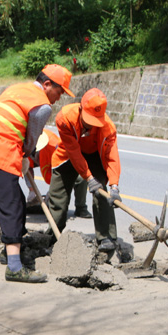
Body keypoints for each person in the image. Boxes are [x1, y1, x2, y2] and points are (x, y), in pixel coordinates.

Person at [0, 64, 75, 283]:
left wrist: (24, 155)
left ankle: (10, 252)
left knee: (13, 201)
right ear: (47, 84)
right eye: (59, 91)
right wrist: (26, 155)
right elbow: (32, 139)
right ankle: (15, 267)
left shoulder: (16, 89)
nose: (60, 97)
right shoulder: (42, 105)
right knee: (13, 208)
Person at [46, 88, 121, 253]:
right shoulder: (65, 118)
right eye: (88, 120)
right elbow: (74, 153)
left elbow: (112, 157)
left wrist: (114, 186)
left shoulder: (108, 128)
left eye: (95, 121)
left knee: (102, 192)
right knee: (58, 195)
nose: (91, 124)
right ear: (80, 109)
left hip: (94, 154)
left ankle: (106, 237)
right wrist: (88, 177)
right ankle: (52, 237)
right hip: (68, 154)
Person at [25, 129, 91, 219]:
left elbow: (62, 169)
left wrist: (53, 192)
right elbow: (27, 168)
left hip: (63, 162)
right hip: (42, 157)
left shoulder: (53, 145)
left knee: (80, 178)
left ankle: (81, 208)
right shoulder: (26, 143)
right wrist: (32, 191)